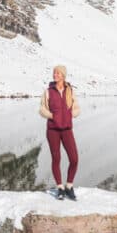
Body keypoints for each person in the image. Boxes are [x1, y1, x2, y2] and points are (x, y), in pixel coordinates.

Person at [40, 64, 81, 200]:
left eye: (57, 73)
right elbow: (42, 109)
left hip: (67, 129)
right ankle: (60, 188)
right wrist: (52, 116)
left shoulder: (70, 91)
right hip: (53, 130)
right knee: (56, 159)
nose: (55, 75)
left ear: (63, 75)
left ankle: (69, 186)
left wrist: (70, 115)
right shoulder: (48, 91)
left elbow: (77, 108)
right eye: (54, 73)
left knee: (74, 159)